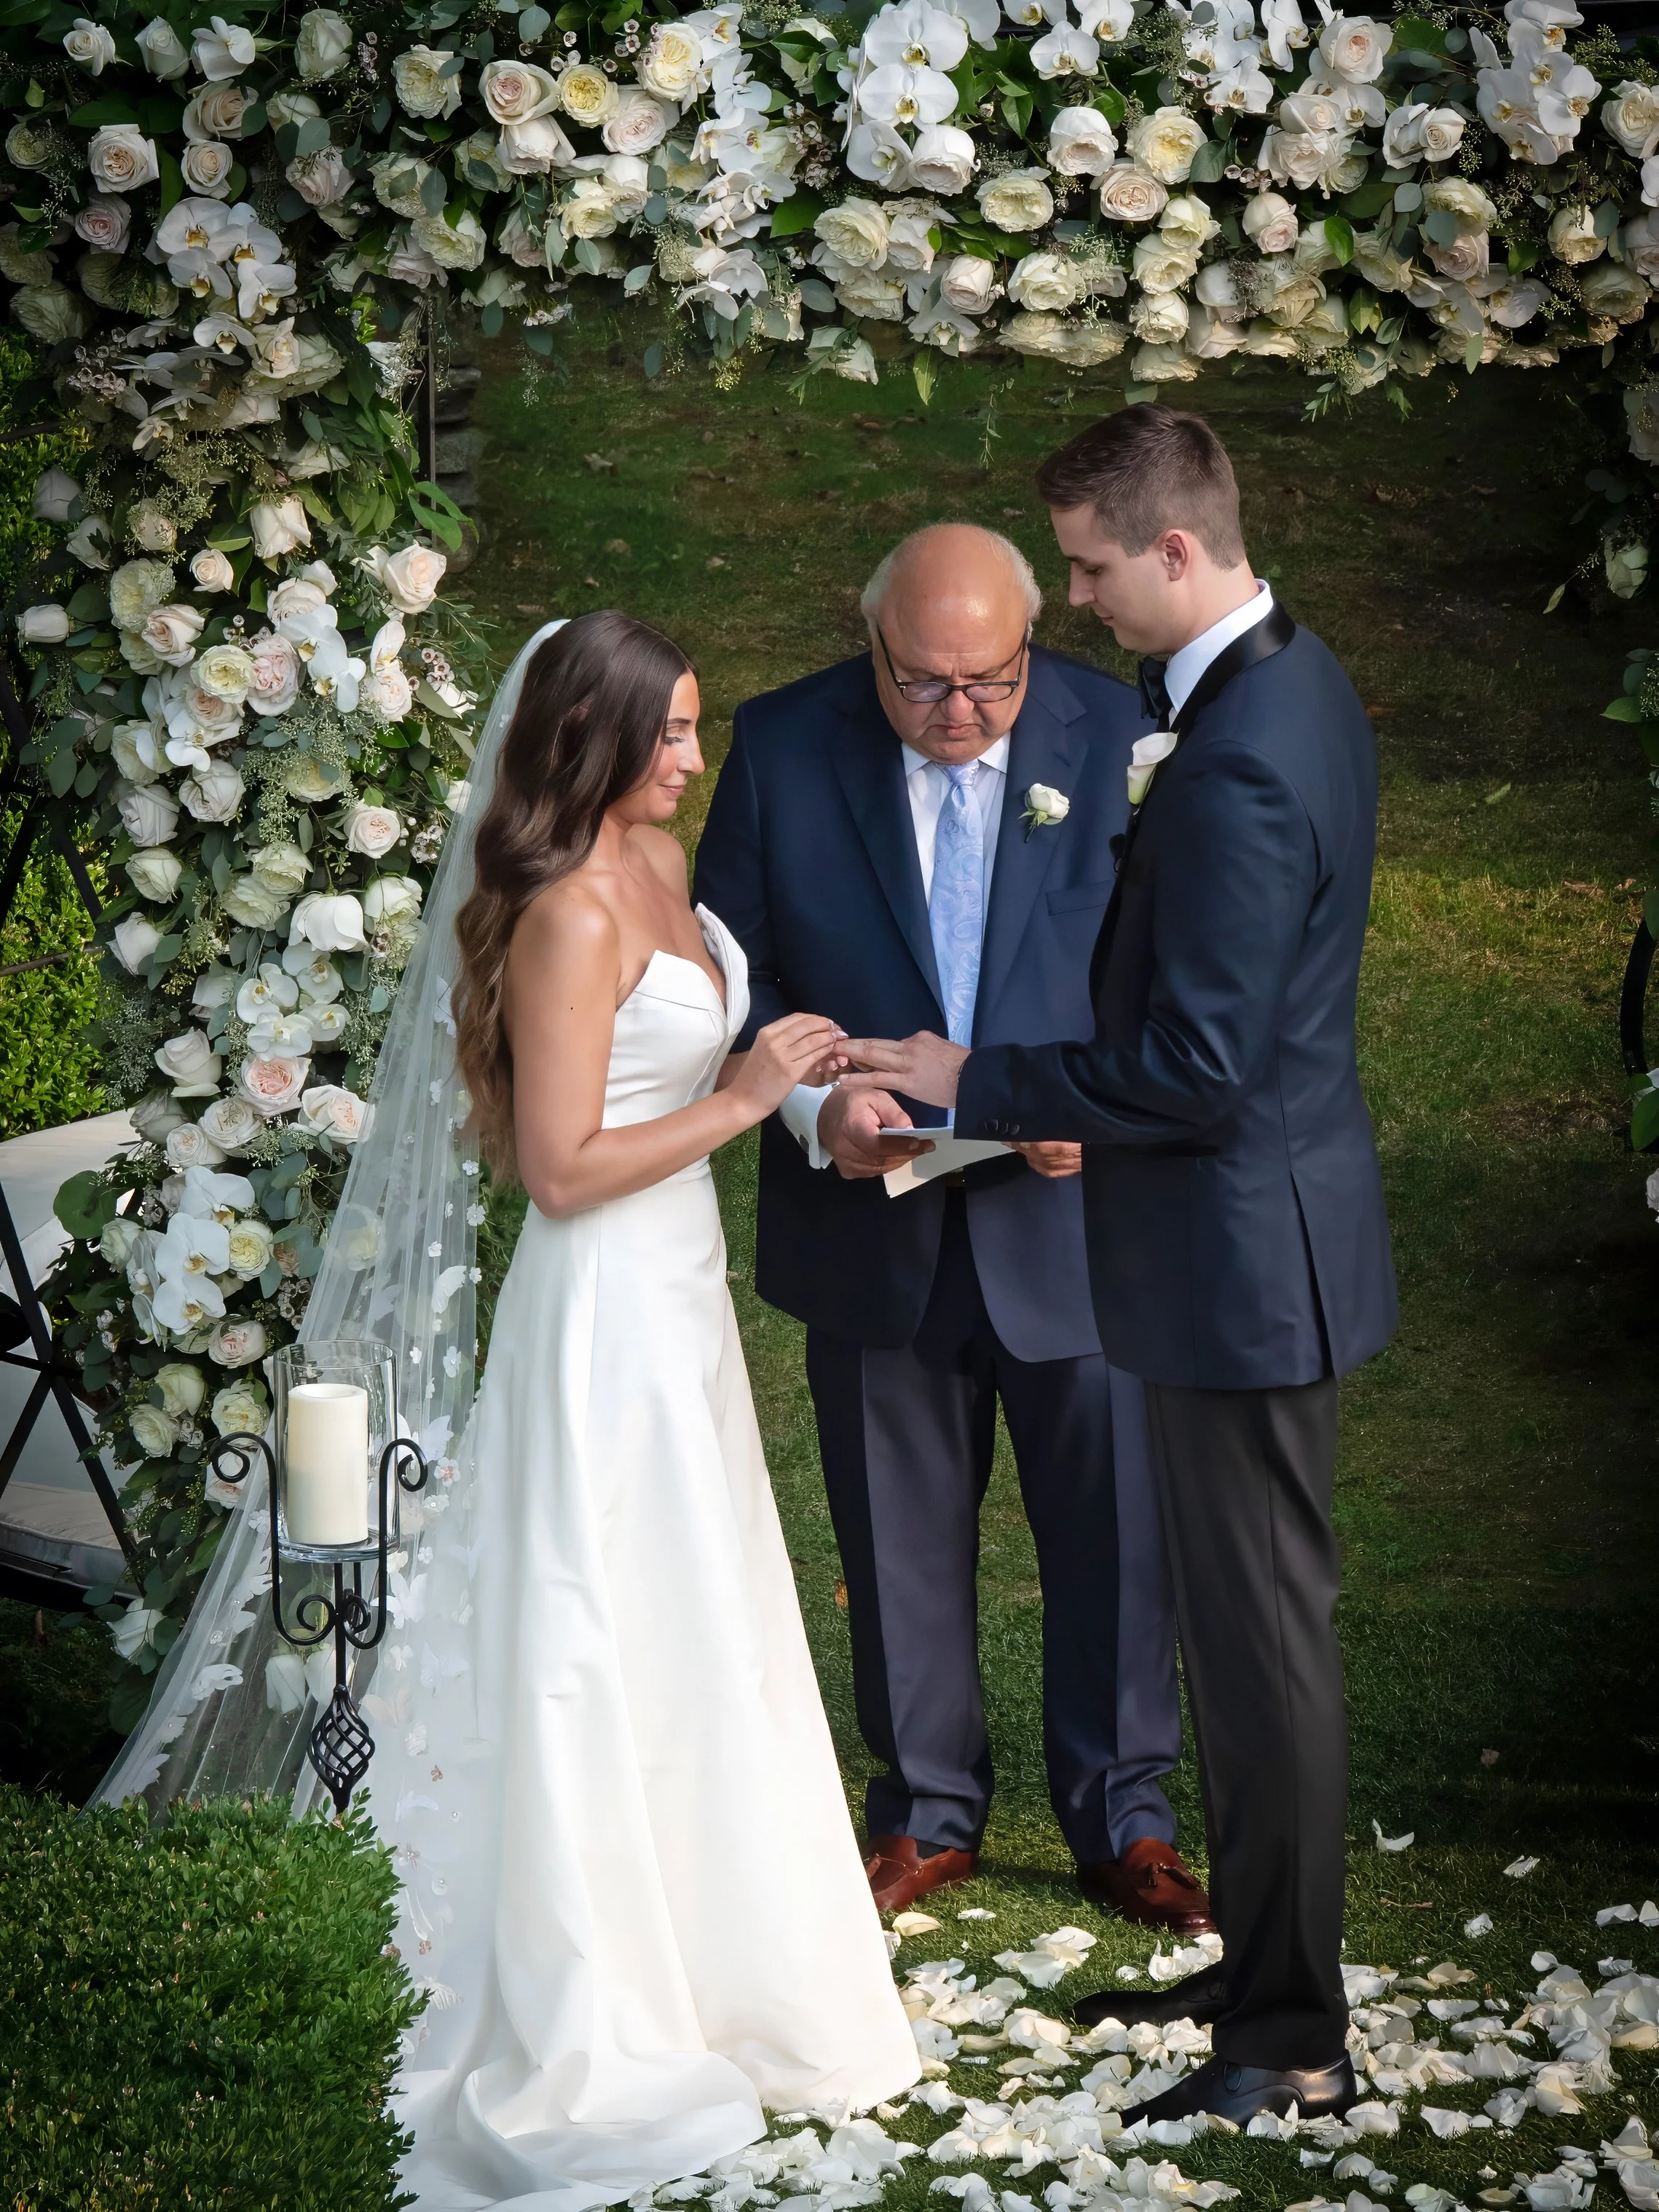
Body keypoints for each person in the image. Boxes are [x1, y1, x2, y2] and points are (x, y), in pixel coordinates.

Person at [838, 412, 1398, 2125]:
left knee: (1262, 1652)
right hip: (1251, 1242)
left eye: (1087, 566)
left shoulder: (1233, 758)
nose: (1073, 598)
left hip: (1238, 1267)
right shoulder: (1287, 687)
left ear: (1171, 547)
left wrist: (977, 1079)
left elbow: (1196, 1070)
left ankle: (1289, 2036)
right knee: (1240, 1642)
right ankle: (1260, 1965)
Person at [694, 524, 1208, 1935]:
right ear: (870, 645)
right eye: (923, 683)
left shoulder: (1125, 737)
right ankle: (922, 1811)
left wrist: (1097, 1113)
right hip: (872, 1221)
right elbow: (723, 978)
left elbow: (1175, 974)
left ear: (1031, 643)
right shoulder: (783, 746)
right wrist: (817, 1113)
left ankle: (1126, 1818)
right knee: (893, 1530)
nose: (960, 711)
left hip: (1078, 1216)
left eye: (990, 680)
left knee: (1113, 1531)